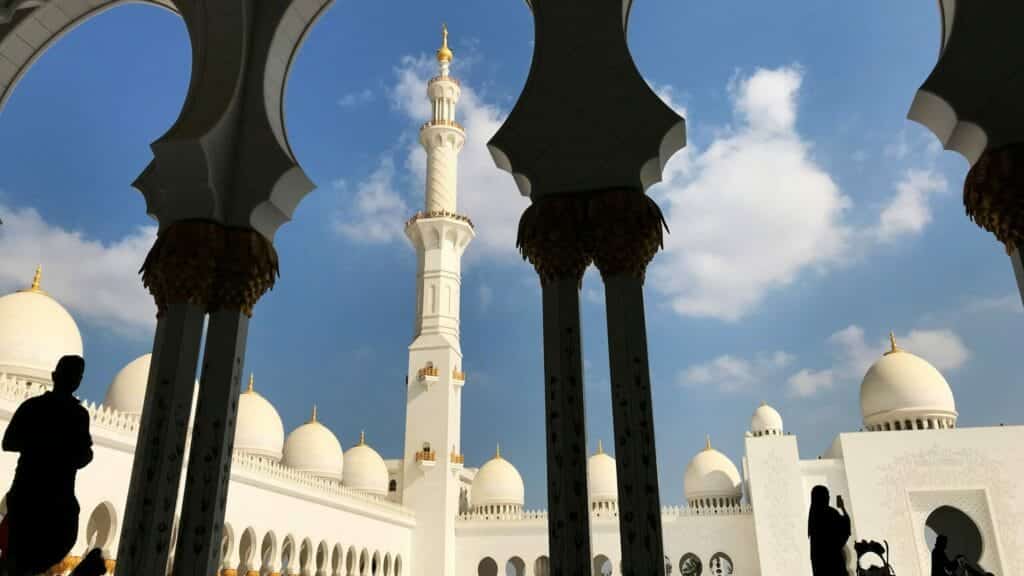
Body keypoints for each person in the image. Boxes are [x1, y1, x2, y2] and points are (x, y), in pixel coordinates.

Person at [1, 355, 93, 576]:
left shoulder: (38, 408)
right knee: (23, 561)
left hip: (41, 497)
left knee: (22, 562)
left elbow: (9, 442)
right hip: (43, 499)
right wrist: (51, 445)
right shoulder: (75, 415)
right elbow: (9, 443)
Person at [808, 485, 851, 576]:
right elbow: (844, 530)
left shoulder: (813, 517)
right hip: (834, 563)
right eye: (827, 495)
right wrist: (842, 507)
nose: (829, 498)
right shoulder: (830, 513)